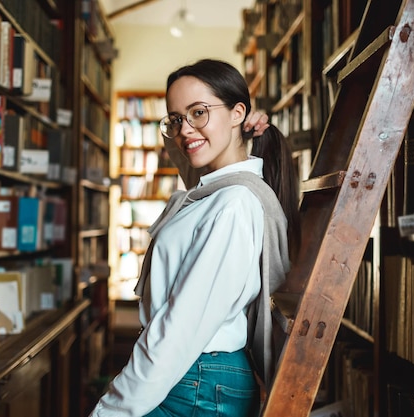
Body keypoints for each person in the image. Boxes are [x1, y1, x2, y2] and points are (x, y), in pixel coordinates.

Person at [89, 58, 300, 417]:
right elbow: (188, 154)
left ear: (238, 112)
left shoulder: (234, 203)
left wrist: (111, 410)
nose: (185, 129)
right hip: (191, 377)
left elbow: (180, 328)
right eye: (175, 119)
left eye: (199, 112)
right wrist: (221, 123)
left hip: (195, 380)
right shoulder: (215, 191)